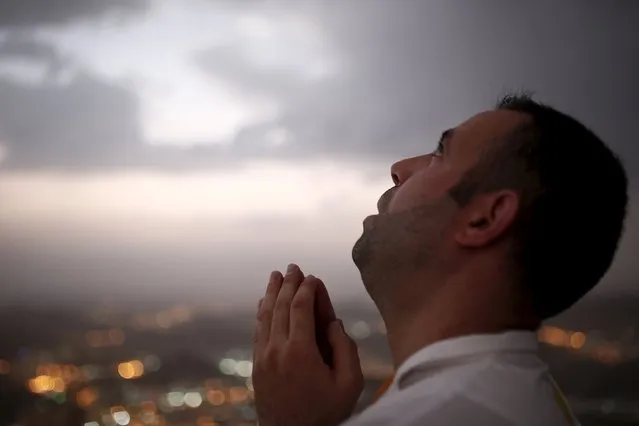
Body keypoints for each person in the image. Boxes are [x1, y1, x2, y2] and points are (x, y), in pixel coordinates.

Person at [251, 94, 629, 426]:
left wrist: (288, 421)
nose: (400, 168)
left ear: (484, 217)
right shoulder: (528, 402)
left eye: (441, 153)